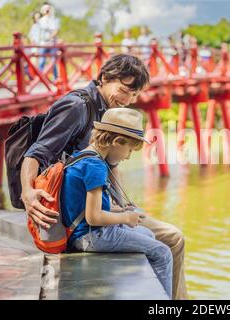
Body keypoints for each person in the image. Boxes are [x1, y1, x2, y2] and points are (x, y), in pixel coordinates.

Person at [20, 54, 188, 300]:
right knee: (172, 238)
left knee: (155, 232)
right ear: (105, 78)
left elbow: (111, 163)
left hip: (95, 208)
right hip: (78, 219)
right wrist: (27, 192)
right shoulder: (77, 106)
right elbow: (36, 153)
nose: (127, 100)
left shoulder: (108, 112)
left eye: (133, 96)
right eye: (123, 90)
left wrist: (122, 203)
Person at [61, 107, 173, 298]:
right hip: (91, 236)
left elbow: (85, 206)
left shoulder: (83, 157)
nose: (128, 156)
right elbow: (93, 217)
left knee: (147, 233)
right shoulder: (95, 165)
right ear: (117, 141)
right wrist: (127, 217)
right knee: (163, 253)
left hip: (83, 233)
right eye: (129, 149)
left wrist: (117, 209)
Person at [38, 3, 60, 79]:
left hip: (52, 43)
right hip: (42, 44)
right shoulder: (40, 21)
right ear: (42, 11)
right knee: (41, 61)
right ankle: (40, 78)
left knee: (53, 62)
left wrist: (50, 37)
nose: (47, 11)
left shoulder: (54, 20)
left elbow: (56, 30)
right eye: (45, 9)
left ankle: (56, 78)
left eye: (48, 9)